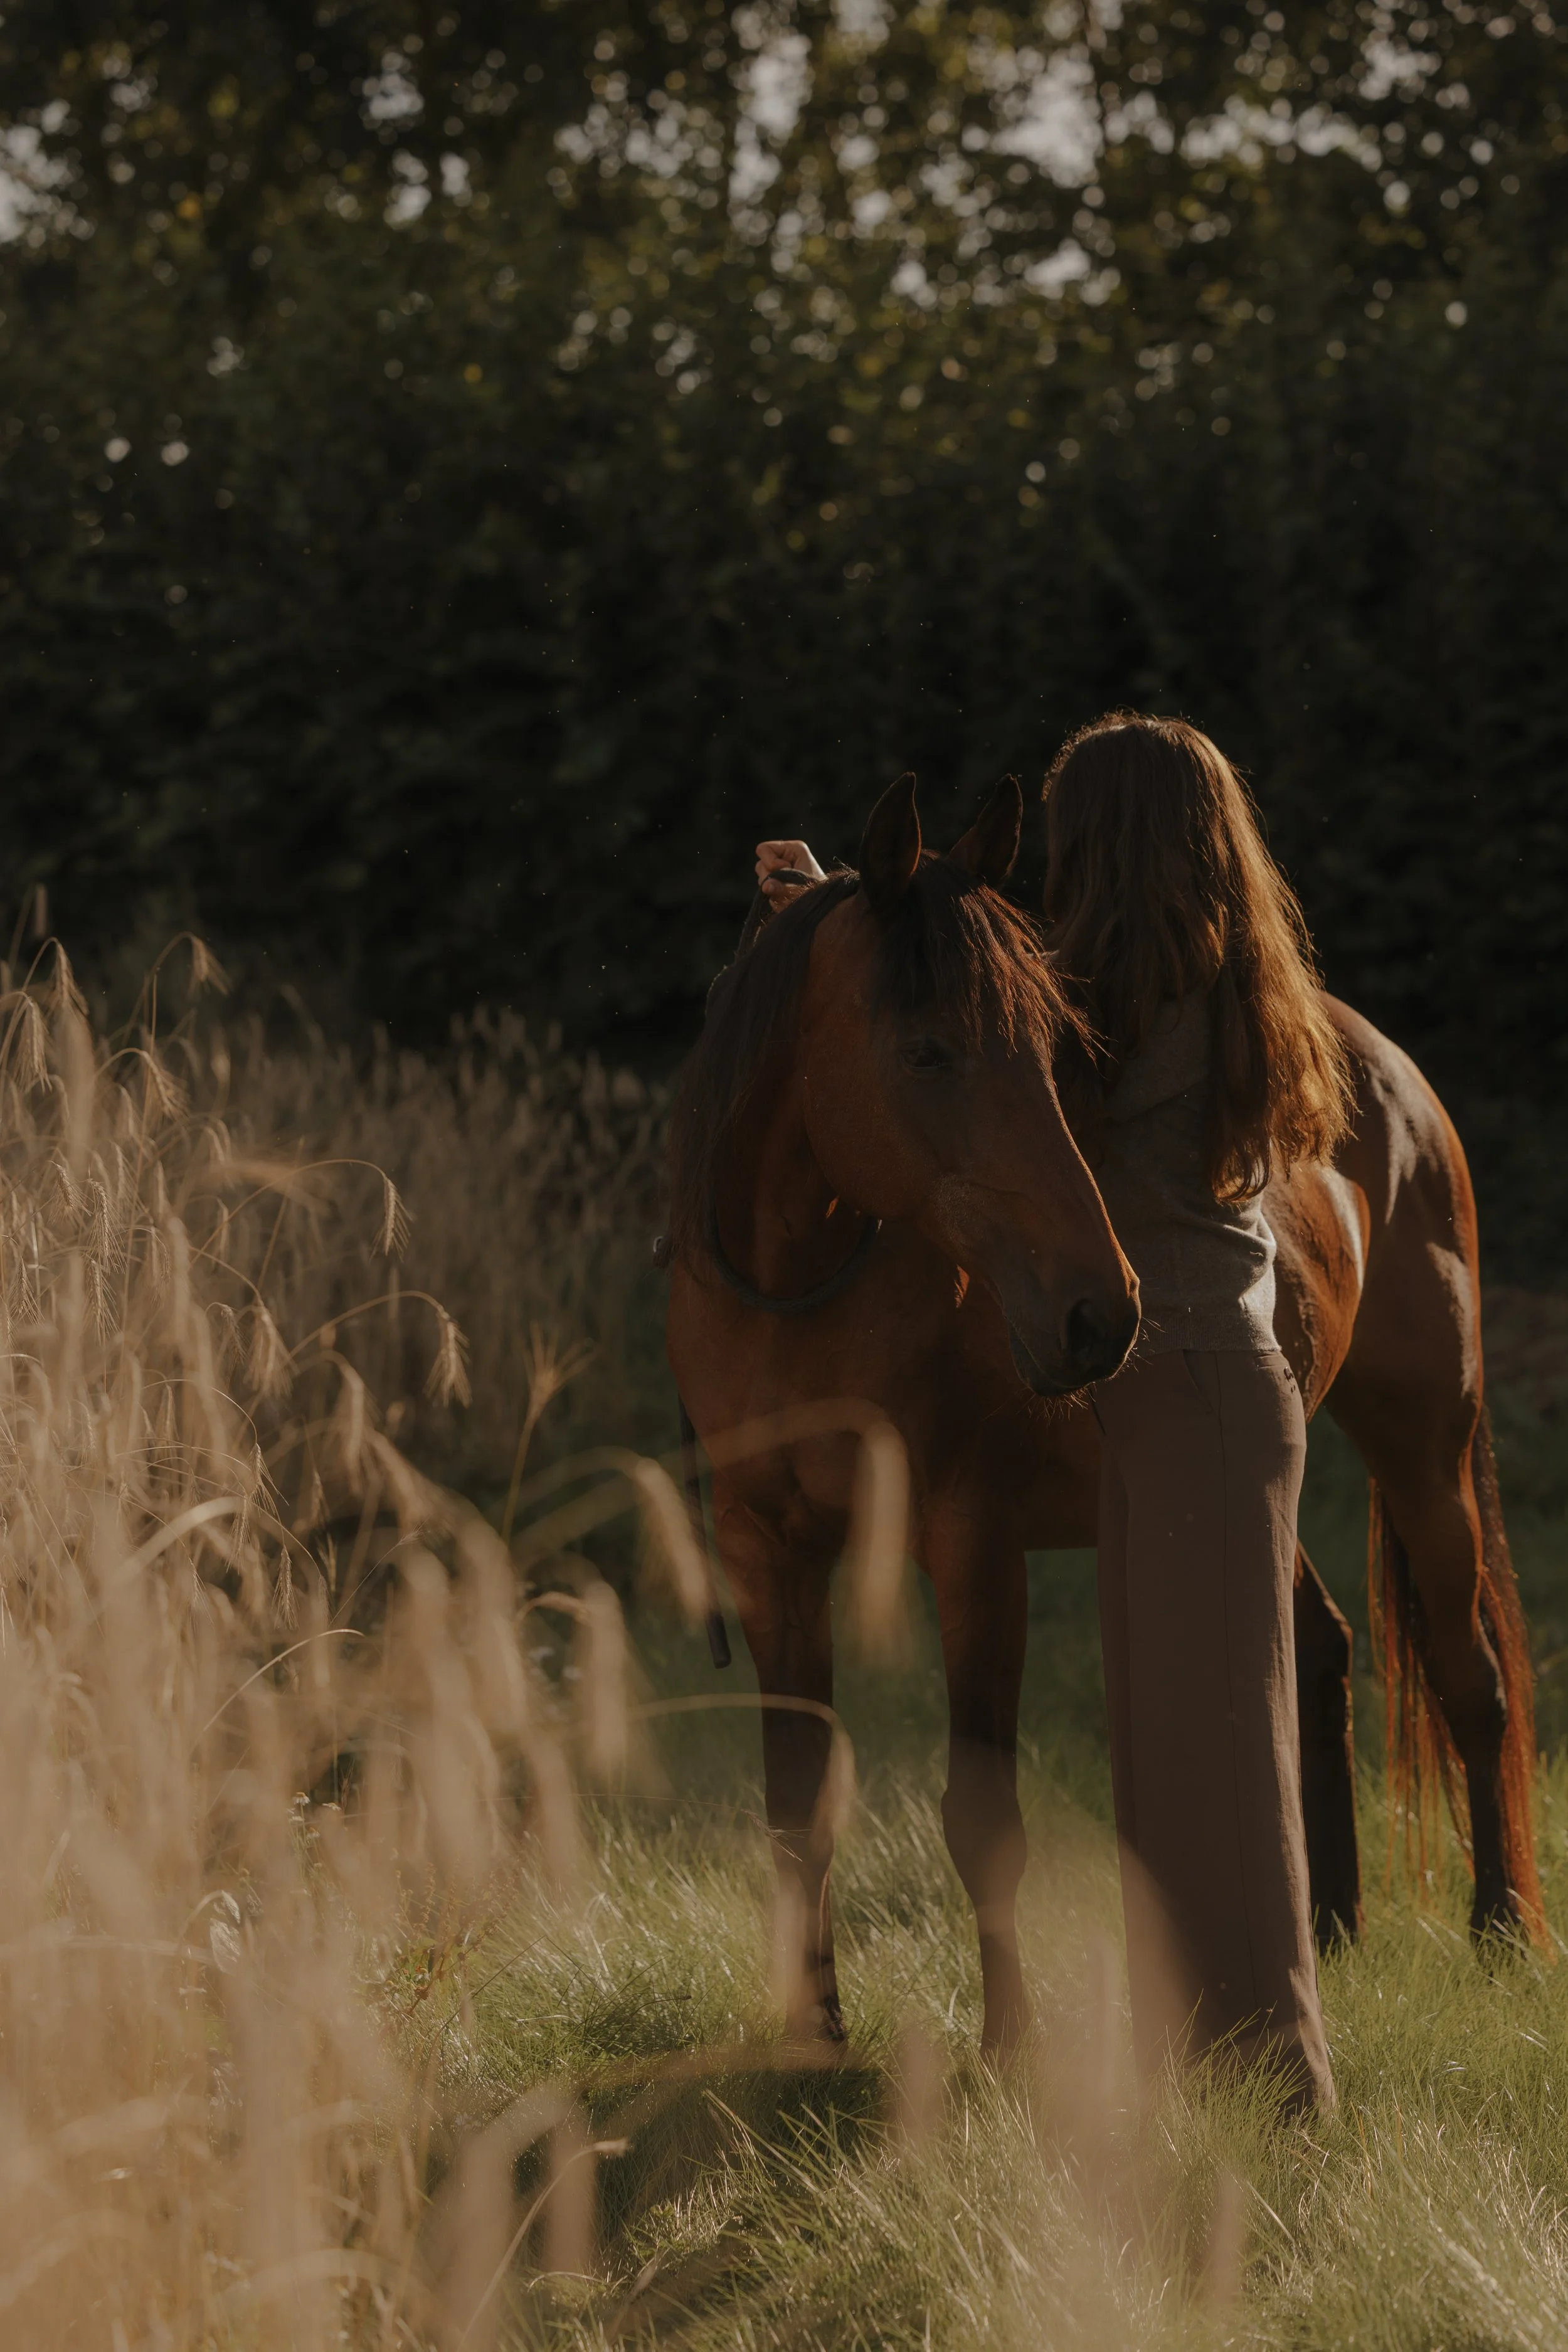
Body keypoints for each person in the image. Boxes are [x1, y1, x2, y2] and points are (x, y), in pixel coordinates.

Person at [755, 713, 1350, 2110]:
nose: (1056, 857)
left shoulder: (1160, 991)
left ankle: (1278, 2090)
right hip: (1169, 1411)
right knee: (1167, 1766)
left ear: (1115, 844)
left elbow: (989, 1061)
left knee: (1225, 1773)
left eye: (1073, 829)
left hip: (1201, 1398)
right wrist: (845, 901)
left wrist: (839, 921)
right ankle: (1190, 2064)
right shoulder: (1203, 968)